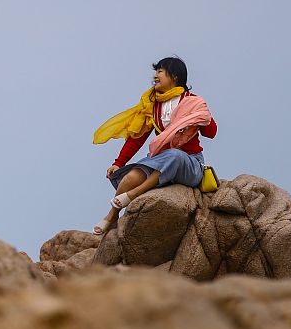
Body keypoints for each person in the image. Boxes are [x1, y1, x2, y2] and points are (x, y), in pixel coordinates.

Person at [91, 57, 217, 236]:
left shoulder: (192, 102)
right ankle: (112, 215)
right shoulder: (153, 105)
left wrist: (201, 115)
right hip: (160, 161)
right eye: (156, 71)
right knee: (130, 177)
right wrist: (119, 163)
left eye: (160, 71)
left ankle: (134, 194)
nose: (155, 76)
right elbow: (138, 137)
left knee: (174, 155)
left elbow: (211, 133)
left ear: (174, 76)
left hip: (189, 164)